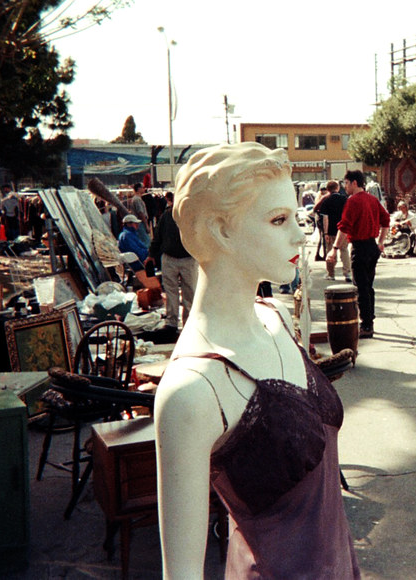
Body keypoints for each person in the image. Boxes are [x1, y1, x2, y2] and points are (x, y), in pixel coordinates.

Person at [154, 142, 359, 578]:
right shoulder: (192, 390)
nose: (299, 235)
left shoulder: (277, 317)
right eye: (277, 220)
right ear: (221, 231)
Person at [328, 170, 390, 339]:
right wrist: (381, 242)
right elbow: (386, 220)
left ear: (354, 183)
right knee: (368, 286)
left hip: (360, 247)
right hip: (372, 246)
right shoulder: (373, 199)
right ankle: (369, 319)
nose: (345, 187)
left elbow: (344, 227)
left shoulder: (353, 201)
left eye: (346, 183)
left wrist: (334, 249)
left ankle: (367, 324)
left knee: (361, 287)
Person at [147, 191, 197, 330]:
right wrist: (151, 254)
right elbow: (157, 236)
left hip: (188, 258)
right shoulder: (167, 216)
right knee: (172, 292)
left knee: (189, 292)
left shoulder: (192, 217)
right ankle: (172, 321)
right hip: (171, 258)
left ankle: (188, 323)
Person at [314, 180, 351, 282]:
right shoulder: (344, 199)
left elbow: (325, 217)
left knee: (330, 252)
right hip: (343, 230)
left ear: (328, 189)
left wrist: (325, 232)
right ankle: (347, 273)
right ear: (337, 188)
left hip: (330, 230)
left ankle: (331, 274)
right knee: (344, 251)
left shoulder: (326, 200)